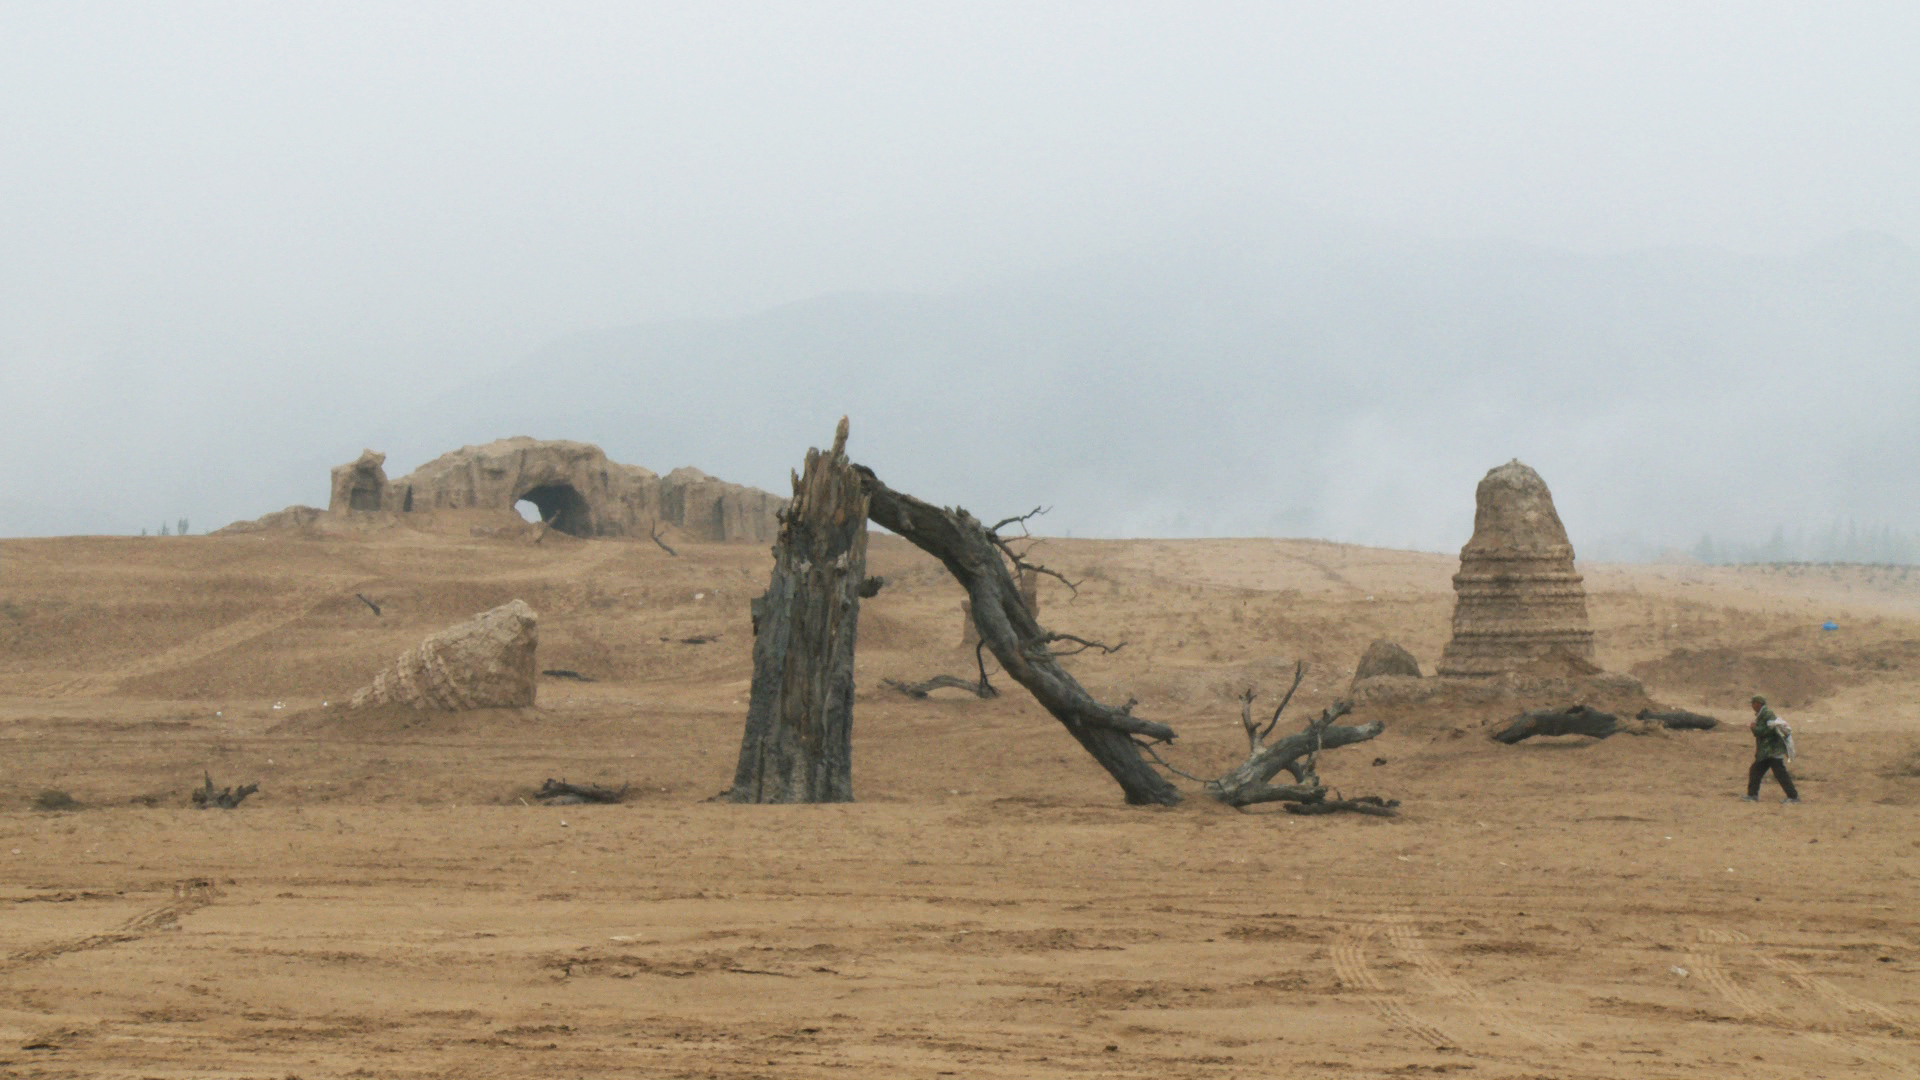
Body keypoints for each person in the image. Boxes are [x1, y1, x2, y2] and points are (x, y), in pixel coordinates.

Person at [1743, 695, 1799, 803]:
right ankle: (1752, 795)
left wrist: (1755, 728)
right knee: (1755, 771)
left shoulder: (1767, 714)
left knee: (1779, 773)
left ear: (1759, 703)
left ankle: (1793, 797)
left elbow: (1769, 730)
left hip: (1772, 751)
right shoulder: (1763, 714)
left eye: (1753, 703)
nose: (1752, 706)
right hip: (1767, 752)